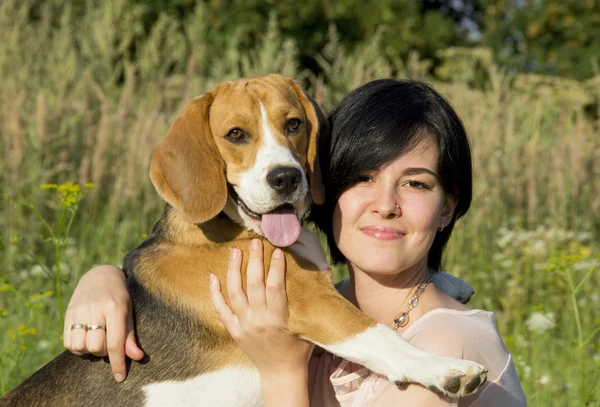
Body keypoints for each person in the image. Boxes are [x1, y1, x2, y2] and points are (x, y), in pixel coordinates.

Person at [64, 79, 526, 406]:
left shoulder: (450, 344)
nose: (280, 162)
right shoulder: (291, 284)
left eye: (291, 127)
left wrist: (283, 372)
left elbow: (315, 306)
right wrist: (105, 277)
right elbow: (320, 305)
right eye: (237, 136)